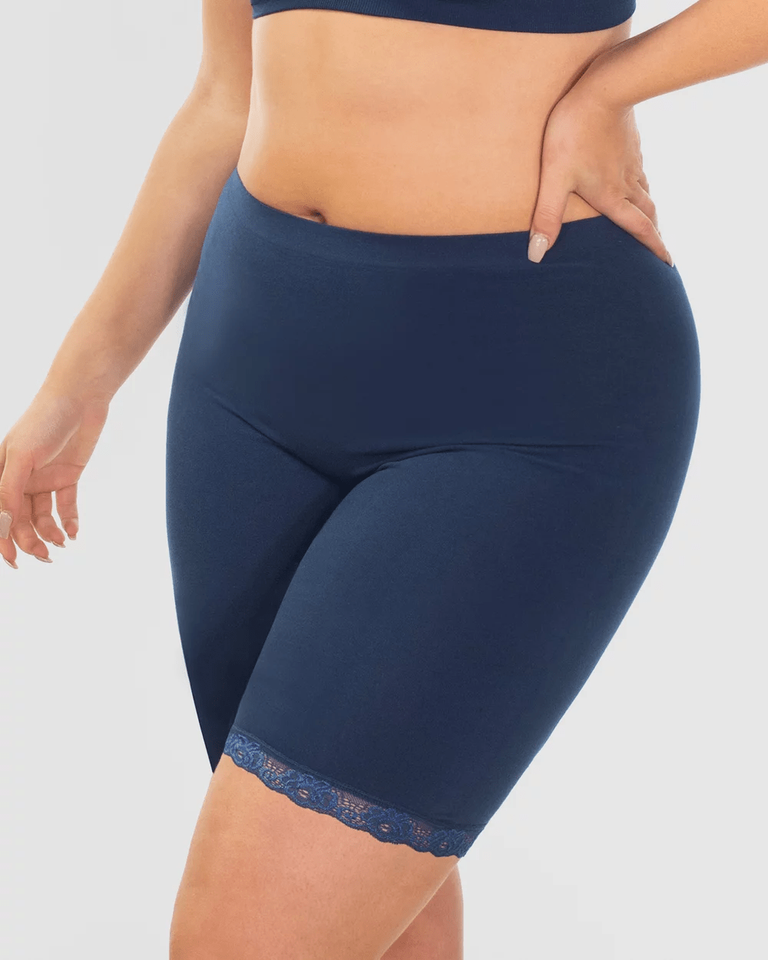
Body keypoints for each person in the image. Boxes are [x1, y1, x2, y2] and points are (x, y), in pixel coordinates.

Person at [1, 1, 766, 957]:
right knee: (372, 913)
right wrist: (76, 387)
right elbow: (225, 96)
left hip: (523, 403)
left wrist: (612, 85)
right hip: (246, 393)